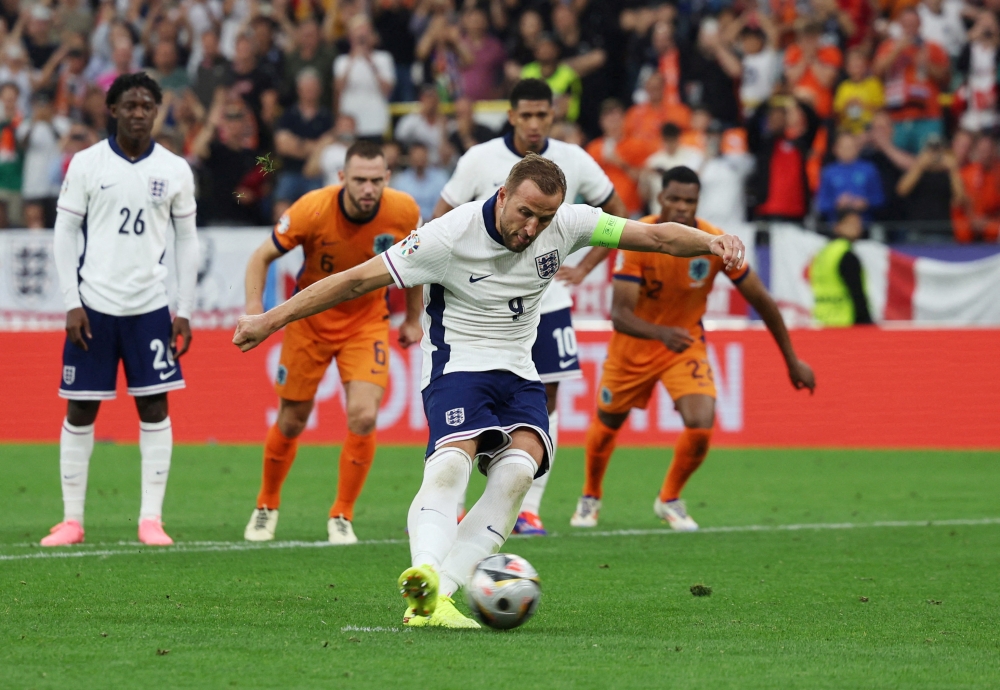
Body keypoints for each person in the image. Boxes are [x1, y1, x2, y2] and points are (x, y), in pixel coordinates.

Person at [232, 153, 747, 628]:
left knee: (518, 473)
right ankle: (425, 570)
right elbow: (353, 281)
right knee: (454, 463)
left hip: (520, 372)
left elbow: (655, 238)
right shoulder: (445, 237)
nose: (533, 228)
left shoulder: (568, 223)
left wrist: (711, 241)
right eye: (525, 213)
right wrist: (269, 320)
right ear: (502, 195)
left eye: (544, 219)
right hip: (457, 367)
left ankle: (437, 593)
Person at [431, 79, 628, 536]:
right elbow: (439, 218)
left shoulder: (574, 159)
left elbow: (616, 211)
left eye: (544, 115)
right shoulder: (479, 159)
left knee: (547, 400)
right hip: (481, 305)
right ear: (512, 116)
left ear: (552, 117)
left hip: (548, 299)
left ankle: (529, 509)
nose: (536, 123)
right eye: (528, 115)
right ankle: (456, 507)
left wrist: (584, 268)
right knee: (472, 399)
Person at [572, 166, 814, 531]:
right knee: (609, 422)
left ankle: (669, 498)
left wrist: (792, 360)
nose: (682, 207)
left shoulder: (713, 242)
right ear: (661, 199)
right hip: (634, 346)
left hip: (683, 345)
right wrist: (660, 333)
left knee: (701, 422)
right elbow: (619, 315)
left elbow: (762, 301)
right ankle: (590, 494)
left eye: (690, 200)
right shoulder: (638, 238)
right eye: (675, 199)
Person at [42, 73, 198, 547]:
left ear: (156, 110)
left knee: (154, 405)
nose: (138, 112)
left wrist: (184, 310)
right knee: (82, 406)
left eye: (146, 104)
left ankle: (151, 519)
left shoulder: (174, 170)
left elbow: (187, 241)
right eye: (129, 104)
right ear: (112, 109)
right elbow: (65, 234)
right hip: (94, 305)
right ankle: (72, 520)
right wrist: (71, 302)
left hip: (150, 306)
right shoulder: (87, 164)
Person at [242, 141, 422, 546]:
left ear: (387, 179)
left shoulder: (404, 210)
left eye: (376, 180)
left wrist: (412, 318)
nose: (368, 189)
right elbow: (260, 257)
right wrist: (256, 309)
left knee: (362, 416)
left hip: (366, 323)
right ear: (342, 178)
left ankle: (342, 514)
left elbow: (417, 262)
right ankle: (267, 503)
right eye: (359, 180)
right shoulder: (312, 208)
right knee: (292, 420)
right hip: (308, 323)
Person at [873, 8, 950, 154]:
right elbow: (877, 72)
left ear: (920, 24)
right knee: (897, 166)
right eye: (906, 24)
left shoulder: (932, 47)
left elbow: (945, 78)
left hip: (927, 116)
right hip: (896, 118)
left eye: (913, 23)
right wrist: (896, 51)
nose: (909, 27)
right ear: (900, 25)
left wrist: (926, 64)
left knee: (929, 165)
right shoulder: (888, 46)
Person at [272, 68, 333, 220]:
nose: (310, 92)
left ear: (319, 90)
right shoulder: (288, 115)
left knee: (317, 210)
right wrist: (316, 147)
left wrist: (297, 144)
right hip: (290, 171)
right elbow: (282, 146)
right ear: (299, 90)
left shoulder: (327, 117)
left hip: (316, 174)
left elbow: (329, 146)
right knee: (281, 207)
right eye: (307, 88)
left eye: (313, 88)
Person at [334, 15, 395, 141]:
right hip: (350, 122)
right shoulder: (342, 61)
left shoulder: (384, 58)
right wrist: (352, 59)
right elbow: (338, 88)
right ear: (350, 37)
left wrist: (370, 62)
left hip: (376, 121)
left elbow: (387, 90)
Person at [810, 210, 874, 326]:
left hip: (822, 319)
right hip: (845, 321)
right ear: (837, 226)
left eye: (858, 223)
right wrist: (867, 322)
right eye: (851, 224)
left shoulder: (823, 253)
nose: (857, 227)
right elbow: (857, 293)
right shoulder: (846, 255)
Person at [817, 131, 885, 223]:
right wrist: (836, 203)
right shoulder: (828, 172)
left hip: (864, 224)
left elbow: (879, 199)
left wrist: (866, 203)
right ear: (836, 149)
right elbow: (821, 203)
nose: (847, 151)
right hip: (836, 225)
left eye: (850, 147)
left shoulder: (869, 169)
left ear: (857, 148)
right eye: (844, 147)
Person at [641, 122, 704, 216]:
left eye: (672, 140)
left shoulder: (693, 156)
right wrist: (645, 177)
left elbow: (699, 188)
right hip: (659, 214)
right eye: (667, 140)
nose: (670, 144)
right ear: (662, 139)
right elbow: (645, 196)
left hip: (686, 215)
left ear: (679, 138)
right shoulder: (653, 161)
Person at [391, 142, 449, 221]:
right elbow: (398, 209)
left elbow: (445, 207)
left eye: (422, 157)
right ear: (410, 158)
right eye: (416, 157)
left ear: (427, 157)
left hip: (435, 223)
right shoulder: (401, 181)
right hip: (409, 224)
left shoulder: (440, 178)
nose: (419, 160)